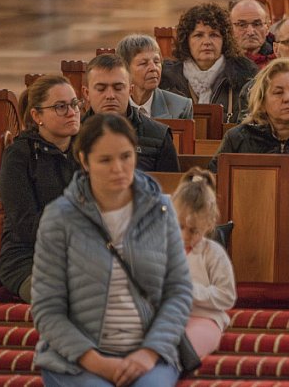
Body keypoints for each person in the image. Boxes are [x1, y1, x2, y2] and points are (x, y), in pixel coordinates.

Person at [32, 113, 192, 385]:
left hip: (148, 352)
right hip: (78, 357)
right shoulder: (59, 217)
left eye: (126, 156)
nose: (118, 168)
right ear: (84, 161)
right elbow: (47, 308)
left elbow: (178, 291)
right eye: (105, 160)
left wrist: (149, 352)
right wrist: (96, 362)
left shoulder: (161, 209)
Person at [0, 76, 81, 303]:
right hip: (28, 259)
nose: (72, 112)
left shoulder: (87, 151)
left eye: (74, 104)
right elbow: (26, 225)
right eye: (60, 107)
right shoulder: (19, 155)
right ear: (37, 116)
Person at [173, 168, 235, 359]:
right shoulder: (166, 249)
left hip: (205, 319)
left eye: (193, 230)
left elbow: (227, 296)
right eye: (180, 227)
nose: (185, 236)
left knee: (185, 346)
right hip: (170, 318)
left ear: (208, 224)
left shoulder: (213, 253)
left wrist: (191, 291)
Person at [160, 3, 258, 123]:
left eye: (214, 35)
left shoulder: (245, 76)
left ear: (225, 40)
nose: (207, 42)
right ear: (186, 40)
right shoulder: (167, 79)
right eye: (198, 35)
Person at [84, 54, 180, 173]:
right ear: (86, 93)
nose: (110, 96)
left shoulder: (159, 136)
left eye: (118, 88)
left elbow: (170, 182)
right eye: (101, 89)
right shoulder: (74, 134)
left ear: (130, 90)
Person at [116, 34, 193, 120]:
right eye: (143, 63)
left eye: (156, 62)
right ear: (124, 69)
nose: (153, 68)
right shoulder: (111, 105)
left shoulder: (180, 107)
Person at [229, 0, 275, 68]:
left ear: (267, 27)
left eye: (257, 24)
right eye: (242, 25)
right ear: (230, 28)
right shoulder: (220, 62)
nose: (250, 32)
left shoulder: (280, 57)